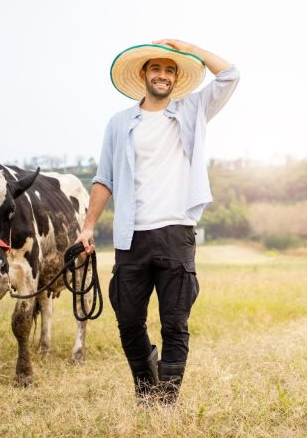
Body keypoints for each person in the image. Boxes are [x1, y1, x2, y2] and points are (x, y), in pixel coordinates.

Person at [76, 39, 239, 405]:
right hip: (130, 236)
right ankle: (146, 388)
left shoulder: (192, 109)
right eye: (156, 69)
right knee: (128, 321)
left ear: (176, 78)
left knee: (174, 323)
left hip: (175, 231)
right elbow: (105, 178)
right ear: (144, 75)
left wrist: (187, 47)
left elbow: (230, 74)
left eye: (169, 70)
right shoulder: (119, 123)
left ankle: (165, 403)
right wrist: (88, 225)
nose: (162, 75)